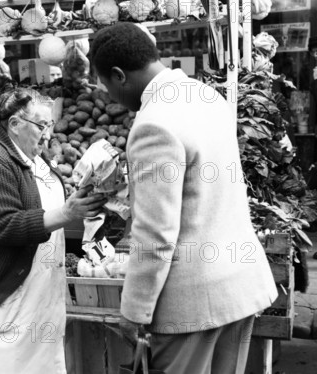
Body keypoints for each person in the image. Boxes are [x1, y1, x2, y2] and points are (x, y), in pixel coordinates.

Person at [89, 23, 278, 374]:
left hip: (192, 302)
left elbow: (156, 234)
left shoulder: (153, 125)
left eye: (105, 84)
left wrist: (134, 312)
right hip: (239, 286)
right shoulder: (207, 96)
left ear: (118, 75)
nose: (108, 96)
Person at [0, 88, 106, 374]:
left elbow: (43, 201)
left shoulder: (33, 155)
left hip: (34, 293)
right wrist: (67, 213)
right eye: (42, 126)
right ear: (15, 124)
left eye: (49, 125)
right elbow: (5, 226)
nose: (49, 133)